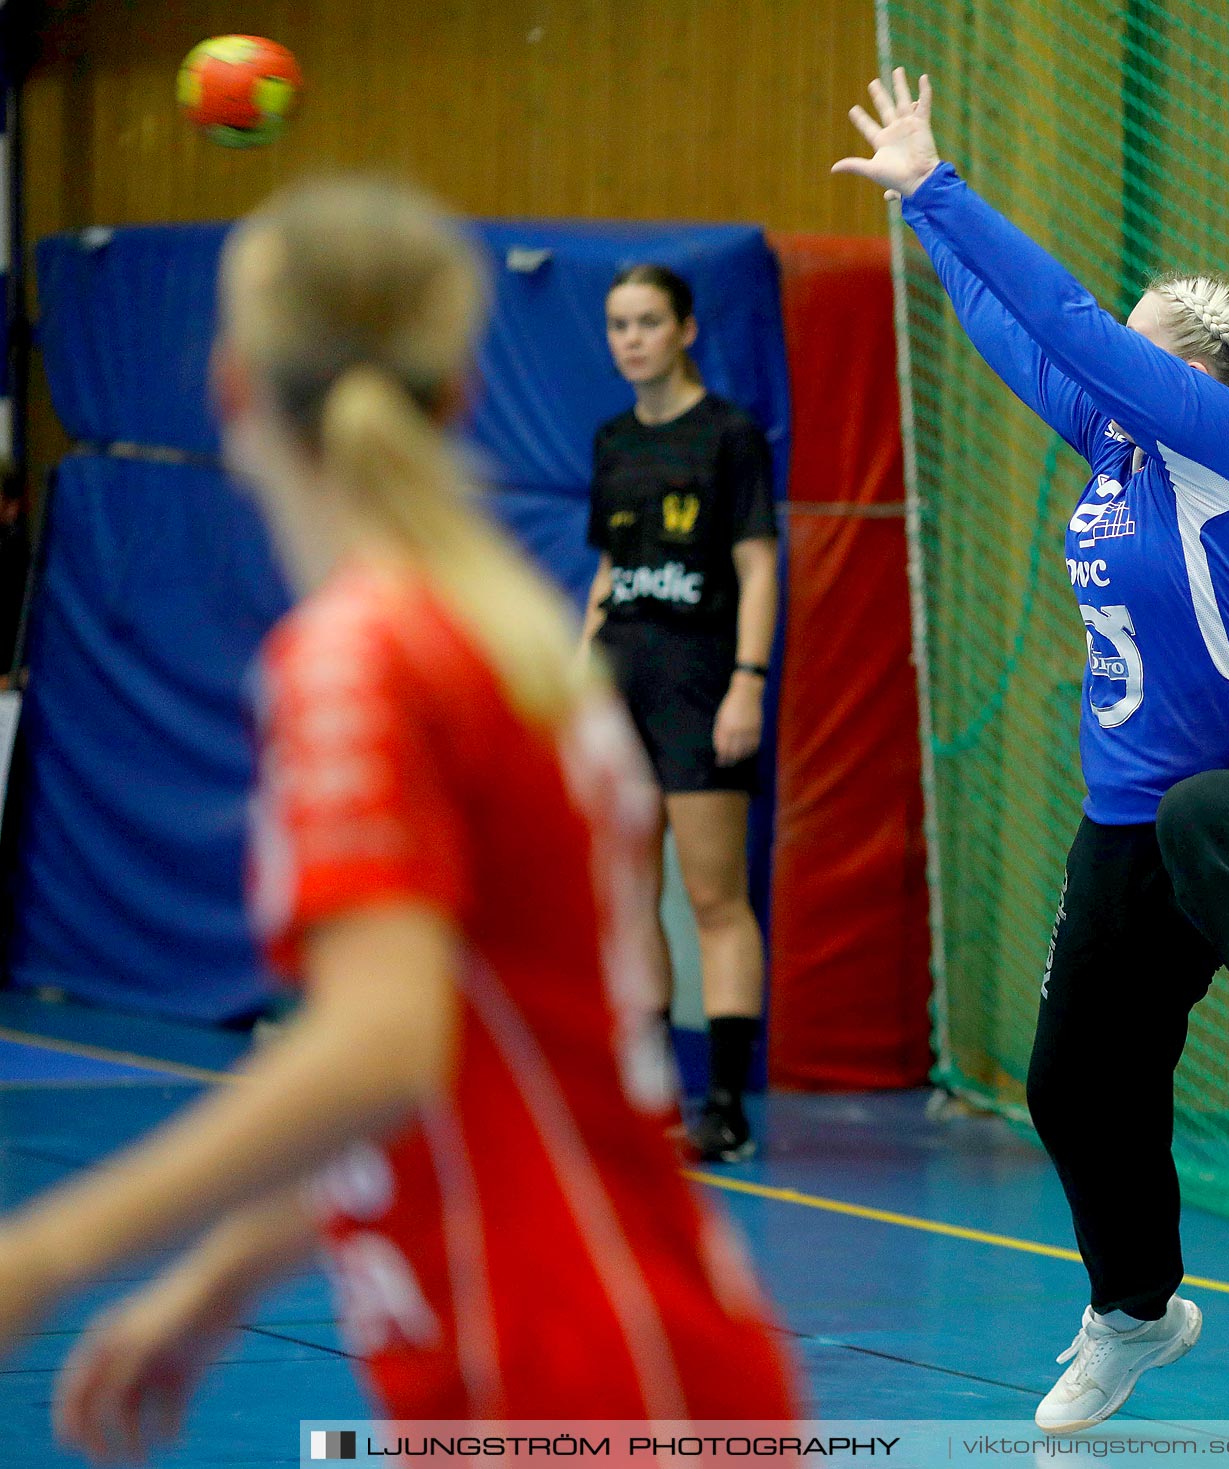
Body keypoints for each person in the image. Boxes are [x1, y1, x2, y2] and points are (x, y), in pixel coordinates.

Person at [0, 177, 799, 1462]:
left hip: (566, 1367)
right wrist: (217, 1281)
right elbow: (449, 1066)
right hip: (596, 1347)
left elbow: (383, 1044)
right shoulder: (507, 639)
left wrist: (46, 1250)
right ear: (463, 394)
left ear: (230, 388)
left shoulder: (366, 656)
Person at [834, 72, 1229, 1432]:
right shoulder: (1117, 447)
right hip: (1135, 830)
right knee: (1072, 1080)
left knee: (1198, 815)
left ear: (1205, 374)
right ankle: (1135, 1311)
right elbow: (1015, 329)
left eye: (1140, 341)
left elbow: (1060, 318)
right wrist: (923, 216)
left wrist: (945, 184)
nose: (1113, 352)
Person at [580, 265, 780, 1163]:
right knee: (628, 896)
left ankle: (726, 1104)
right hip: (621, 682)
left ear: (685, 330)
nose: (632, 338)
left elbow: (758, 568)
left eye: (648, 322)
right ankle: (651, 1091)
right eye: (619, 323)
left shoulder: (730, 436)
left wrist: (747, 679)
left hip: (701, 688)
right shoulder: (613, 441)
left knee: (712, 892)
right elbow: (610, 574)